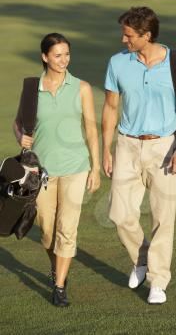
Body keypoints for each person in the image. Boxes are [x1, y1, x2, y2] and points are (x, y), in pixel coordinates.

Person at [102, 7, 176, 304]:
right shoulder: (117, 63)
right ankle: (142, 258)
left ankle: (158, 281)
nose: (123, 40)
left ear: (146, 35)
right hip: (127, 144)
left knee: (163, 217)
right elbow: (110, 107)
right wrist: (107, 149)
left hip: (164, 146)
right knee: (119, 214)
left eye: (129, 35)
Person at [13, 33, 100, 307]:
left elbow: (90, 128)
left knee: (67, 228)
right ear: (45, 57)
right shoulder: (31, 88)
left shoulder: (82, 87)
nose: (64, 60)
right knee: (48, 231)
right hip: (41, 173)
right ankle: (57, 269)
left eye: (67, 54)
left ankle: (59, 286)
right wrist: (20, 137)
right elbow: (18, 123)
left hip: (76, 167)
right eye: (58, 55)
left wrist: (95, 168)